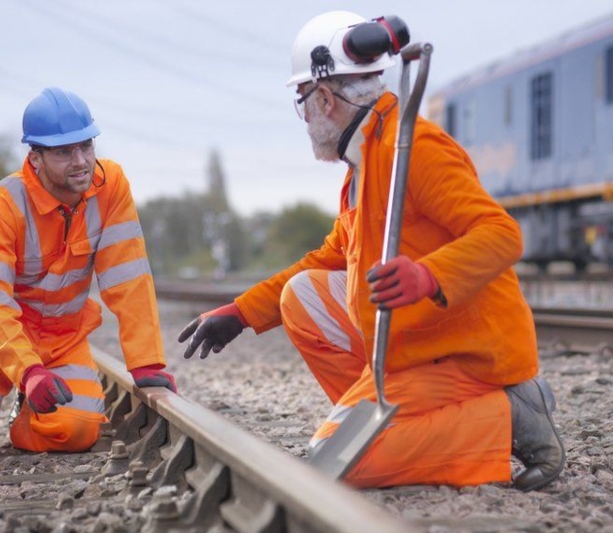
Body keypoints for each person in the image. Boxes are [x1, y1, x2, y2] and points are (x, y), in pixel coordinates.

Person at [179, 11, 565, 492]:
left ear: (324, 98)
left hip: (465, 356)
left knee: (335, 462)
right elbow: (325, 261)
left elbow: (502, 233)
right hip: (418, 349)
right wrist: (240, 313)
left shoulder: (415, 148)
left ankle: (507, 418)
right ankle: (403, 429)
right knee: (301, 296)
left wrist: (429, 276)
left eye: (303, 104)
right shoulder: (364, 166)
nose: (305, 119)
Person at [0, 87, 176, 460]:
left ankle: (25, 418)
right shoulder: (0, 208)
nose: (80, 161)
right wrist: (28, 371)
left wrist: (146, 362)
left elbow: (129, 278)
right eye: (64, 152)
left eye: (86, 146)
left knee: (75, 431)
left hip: (60, 338)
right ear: (35, 158)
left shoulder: (110, 187)